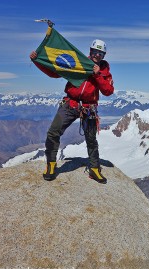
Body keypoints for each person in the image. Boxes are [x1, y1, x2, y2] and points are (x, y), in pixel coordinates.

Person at [30, 39, 114, 184]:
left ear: (104, 55)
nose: (97, 55)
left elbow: (108, 90)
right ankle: (51, 164)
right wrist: (37, 61)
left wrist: (97, 74)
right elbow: (55, 72)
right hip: (71, 103)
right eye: (95, 52)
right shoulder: (79, 62)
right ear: (90, 51)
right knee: (53, 132)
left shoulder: (104, 72)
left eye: (100, 53)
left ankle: (94, 168)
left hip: (89, 108)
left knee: (91, 139)